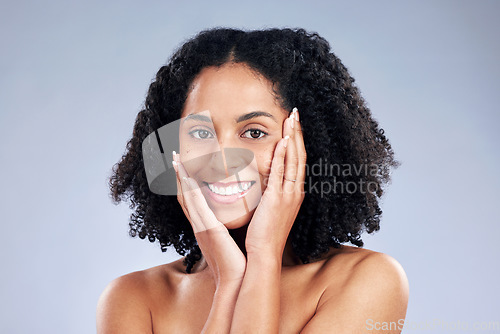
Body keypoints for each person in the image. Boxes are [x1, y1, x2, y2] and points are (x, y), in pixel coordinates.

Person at [97, 27, 409, 333]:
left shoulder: (367, 281)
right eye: (201, 132)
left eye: (254, 132)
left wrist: (263, 256)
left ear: (307, 143)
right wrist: (229, 281)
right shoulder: (132, 299)